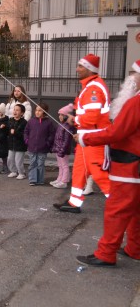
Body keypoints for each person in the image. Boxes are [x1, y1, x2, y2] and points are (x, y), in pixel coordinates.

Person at [75, 64, 140, 267]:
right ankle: (134, 248)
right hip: (134, 164)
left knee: (116, 210)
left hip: (128, 164)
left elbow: (116, 133)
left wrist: (85, 138)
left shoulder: (135, 103)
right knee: (135, 210)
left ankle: (106, 253)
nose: (131, 78)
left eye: (134, 74)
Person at [54, 54, 111, 213]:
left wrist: (75, 120)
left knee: (99, 173)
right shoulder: (91, 86)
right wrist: (77, 122)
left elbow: (93, 117)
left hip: (94, 139)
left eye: (80, 66)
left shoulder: (94, 88)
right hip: (87, 138)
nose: (77, 69)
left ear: (89, 69)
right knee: (80, 170)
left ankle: (119, 205)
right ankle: (74, 202)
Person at [24, 103, 55, 186]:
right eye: (36, 110)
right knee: (33, 163)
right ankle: (33, 180)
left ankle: (40, 180)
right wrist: (27, 140)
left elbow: (52, 134)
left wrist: (47, 143)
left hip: (43, 148)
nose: (37, 112)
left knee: (40, 164)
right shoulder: (31, 121)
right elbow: (26, 131)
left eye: (40, 110)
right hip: (32, 147)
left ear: (44, 112)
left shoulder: (49, 123)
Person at [50, 104, 75, 189]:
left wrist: (62, 150)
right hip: (58, 149)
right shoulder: (60, 125)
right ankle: (59, 179)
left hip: (63, 150)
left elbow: (66, 141)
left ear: (67, 116)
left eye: (62, 115)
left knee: (64, 165)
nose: (60, 116)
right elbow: (57, 138)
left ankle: (64, 181)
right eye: (59, 115)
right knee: (60, 165)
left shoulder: (68, 127)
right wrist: (55, 147)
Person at [6, 104, 28, 179]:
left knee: (18, 161)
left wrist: (15, 132)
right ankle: (13, 171)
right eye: (14, 109)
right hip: (11, 144)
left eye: (17, 110)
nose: (15, 111)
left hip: (20, 145)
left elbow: (24, 134)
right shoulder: (10, 120)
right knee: (10, 159)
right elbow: (8, 130)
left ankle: (22, 173)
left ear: (22, 113)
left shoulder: (24, 122)